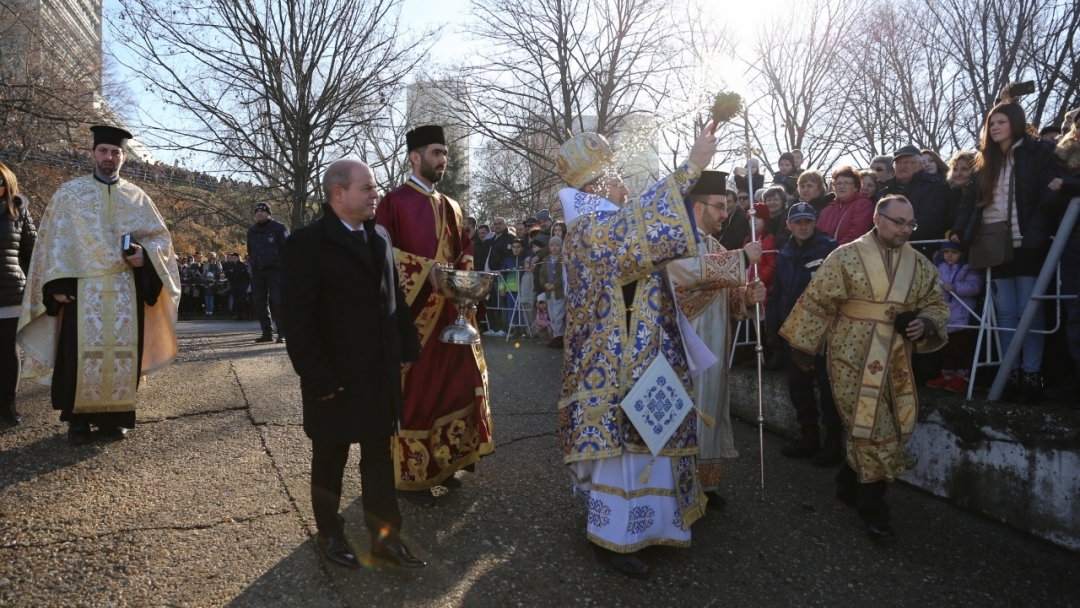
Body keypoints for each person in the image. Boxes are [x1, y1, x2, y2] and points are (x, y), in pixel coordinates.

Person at [556, 123, 718, 577]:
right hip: (617, 365)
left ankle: (658, 524)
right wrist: (693, 167)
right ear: (597, 185)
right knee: (625, 447)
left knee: (651, 436)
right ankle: (615, 539)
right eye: (616, 176)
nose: (625, 184)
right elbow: (640, 231)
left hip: (643, 354)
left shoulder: (602, 223)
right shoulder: (590, 228)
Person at [280, 158, 424, 570]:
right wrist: (317, 376)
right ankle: (330, 535)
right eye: (367, 187)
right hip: (334, 379)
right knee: (330, 462)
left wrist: (408, 347)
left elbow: (393, 300)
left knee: (379, 458)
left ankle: (385, 539)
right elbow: (298, 320)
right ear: (338, 193)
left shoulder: (379, 236)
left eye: (374, 186)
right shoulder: (306, 244)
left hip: (378, 374)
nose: (375, 193)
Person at [780, 195, 949, 542]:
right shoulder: (845, 255)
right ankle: (874, 512)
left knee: (889, 426)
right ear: (877, 218)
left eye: (910, 224)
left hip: (897, 357)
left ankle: (847, 481)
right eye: (898, 222)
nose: (905, 229)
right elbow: (817, 301)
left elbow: (935, 303)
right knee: (872, 428)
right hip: (850, 354)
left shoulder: (919, 264)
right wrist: (803, 349)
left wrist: (927, 324)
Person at [17, 125, 180, 444]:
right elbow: (53, 242)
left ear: (123, 157)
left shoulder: (137, 197)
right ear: (92, 154)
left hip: (124, 290)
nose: (110, 157)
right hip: (82, 292)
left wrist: (143, 255)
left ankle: (114, 420)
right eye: (104, 151)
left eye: (116, 152)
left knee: (122, 357)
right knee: (77, 356)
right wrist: (55, 286)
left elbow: (161, 239)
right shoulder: (69, 193)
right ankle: (77, 422)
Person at [376, 125, 494, 506]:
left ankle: (446, 462)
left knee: (453, 387)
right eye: (436, 153)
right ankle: (411, 474)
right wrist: (429, 272)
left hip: (451, 316)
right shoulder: (393, 202)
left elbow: (464, 253)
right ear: (415, 157)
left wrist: (465, 284)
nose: (443, 160)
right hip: (415, 318)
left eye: (445, 154)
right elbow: (382, 256)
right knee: (419, 393)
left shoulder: (453, 206)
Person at [952, 103, 1065, 402]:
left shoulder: (1038, 152)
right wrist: (962, 231)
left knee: (1031, 312)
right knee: (1005, 314)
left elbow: (1049, 196)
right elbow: (969, 202)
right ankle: (1009, 373)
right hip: (992, 246)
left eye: (1001, 121)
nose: (995, 127)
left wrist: (1036, 233)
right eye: (991, 123)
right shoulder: (984, 160)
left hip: (1027, 243)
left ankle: (1031, 375)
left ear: (1015, 122)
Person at [667, 170, 764, 508]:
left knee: (708, 409)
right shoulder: (675, 239)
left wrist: (747, 297)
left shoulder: (715, 246)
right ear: (698, 206)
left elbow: (729, 297)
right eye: (720, 206)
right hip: (680, 350)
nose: (726, 213)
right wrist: (740, 259)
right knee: (682, 414)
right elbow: (685, 272)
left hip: (715, 351)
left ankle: (703, 484)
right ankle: (675, 488)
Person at [767, 202, 842, 465]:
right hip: (792, 331)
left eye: (807, 221)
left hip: (822, 332)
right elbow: (777, 292)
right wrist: (772, 326)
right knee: (798, 388)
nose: (803, 226)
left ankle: (834, 443)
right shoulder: (785, 252)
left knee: (827, 388)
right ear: (788, 225)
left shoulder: (831, 249)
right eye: (797, 222)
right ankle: (809, 437)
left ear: (815, 222)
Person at [0, 162, 36, 427]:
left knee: (8, 350)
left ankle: (7, 405)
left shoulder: (18, 209)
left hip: (11, 291)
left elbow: (31, 252)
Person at [926, 242, 981, 393]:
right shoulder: (938, 267)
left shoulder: (968, 268)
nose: (949, 255)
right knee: (945, 348)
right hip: (944, 315)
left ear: (962, 254)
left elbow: (976, 286)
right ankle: (947, 374)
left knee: (961, 348)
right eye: (946, 252)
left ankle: (962, 376)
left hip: (962, 315)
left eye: (954, 252)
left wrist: (955, 287)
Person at [877, 145, 951, 256]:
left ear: (921, 165)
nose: (902, 166)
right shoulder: (883, 193)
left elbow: (930, 221)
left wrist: (895, 234)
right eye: (898, 163)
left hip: (922, 251)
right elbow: (877, 221)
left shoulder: (935, 186)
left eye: (907, 162)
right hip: (887, 253)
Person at [248, 201, 289, 343]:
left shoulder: (279, 228)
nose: (259, 213)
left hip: (276, 271)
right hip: (258, 271)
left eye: (263, 211)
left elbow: (288, 249)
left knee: (278, 303)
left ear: (269, 213)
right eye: (257, 211)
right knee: (259, 303)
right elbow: (251, 250)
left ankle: (282, 334)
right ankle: (267, 333)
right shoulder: (252, 230)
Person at [818, 166, 874, 244]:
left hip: (850, 253)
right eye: (838, 183)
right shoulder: (827, 209)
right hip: (825, 254)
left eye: (846, 183)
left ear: (856, 187)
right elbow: (817, 235)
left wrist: (835, 250)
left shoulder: (863, 205)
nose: (842, 186)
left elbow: (856, 233)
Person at [481, 217, 514, 336]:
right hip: (489, 275)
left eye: (500, 223)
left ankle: (504, 329)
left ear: (506, 225)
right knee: (492, 303)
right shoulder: (493, 238)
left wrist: (500, 270)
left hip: (500, 275)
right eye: (495, 224)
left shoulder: (509, 238)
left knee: (502, 303)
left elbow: (507, 256)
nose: (497, 226)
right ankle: (494, 328)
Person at [535, 235, 565, 348]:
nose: (554, 247)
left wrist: (555, 284)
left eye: (557, 245)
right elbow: (541, 274)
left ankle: (559, 337)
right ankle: (554, 336)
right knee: (552, 316)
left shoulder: (564, 259)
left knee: (558, 315)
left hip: (558, 292)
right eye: (552, 245)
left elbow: (564, 275)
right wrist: (544, 284)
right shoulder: (546, 260)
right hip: (549, 292)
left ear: (561, 246)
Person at [499, 238, 528, 337]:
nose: (516, 249)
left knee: (522, 310)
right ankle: (514, 329)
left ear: (523, 248)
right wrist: (502, 288)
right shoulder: (507, 260)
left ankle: (524, 330)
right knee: (512, 310)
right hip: (510, 290)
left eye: (518, 247)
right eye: (514, 247)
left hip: (523, 290)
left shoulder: (525, 260)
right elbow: (502, 274)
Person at [945, 150, 976, 226]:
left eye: (964, 169)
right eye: (955, 169)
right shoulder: (951, 196)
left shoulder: (979, 195)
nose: (958, 174)